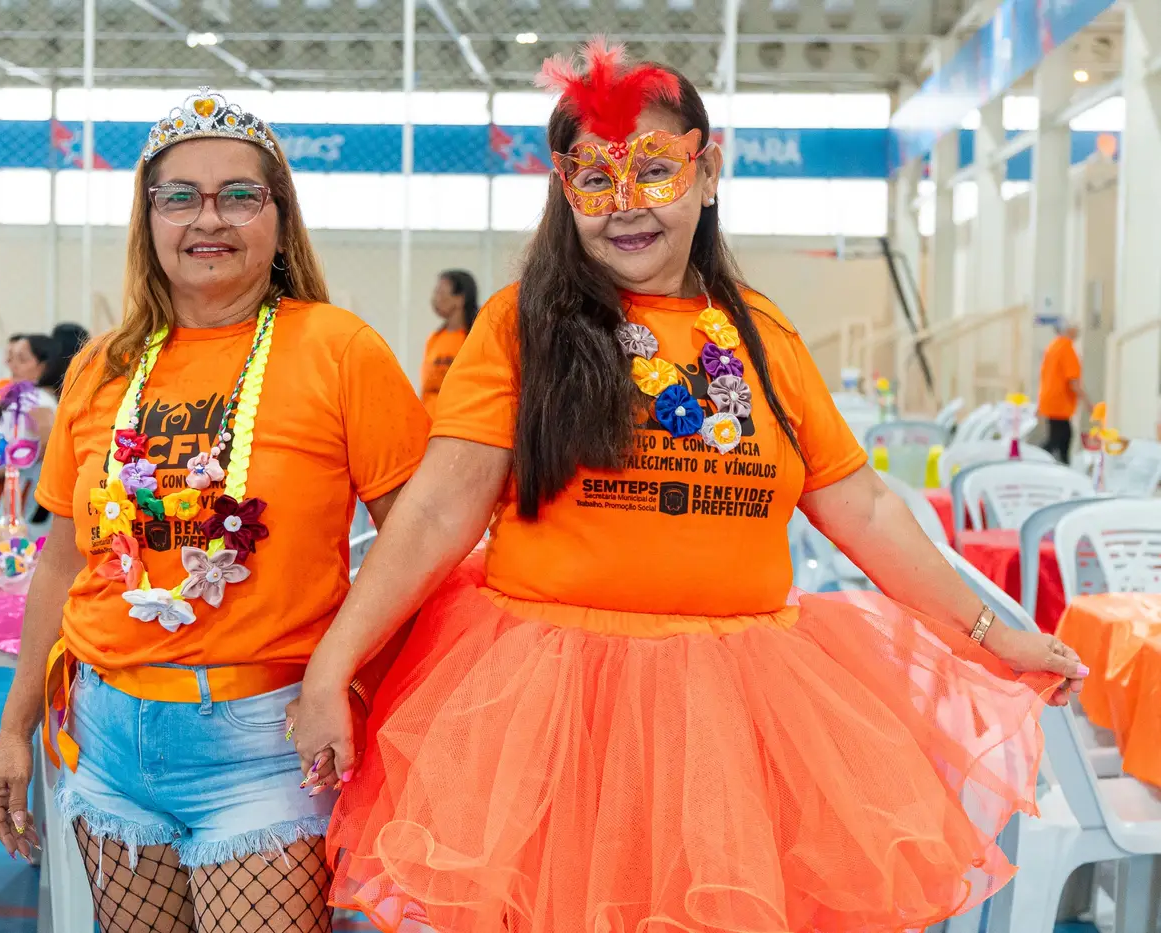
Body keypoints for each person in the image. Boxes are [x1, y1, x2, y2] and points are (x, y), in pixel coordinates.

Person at [290, 42, 1088, 933]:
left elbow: (862, 507)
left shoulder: (765, 336)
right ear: (563, 190)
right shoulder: (523, 328)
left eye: (656, 170)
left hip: (732, 729)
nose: (628, 204)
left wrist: (992, 635)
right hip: (552, 720)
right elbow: (439, 510)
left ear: (707, 174)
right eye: (597, 179)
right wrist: (335, 662)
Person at [0, 89, 429, 932]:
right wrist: (13, 728)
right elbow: (63, 561)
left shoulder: (340, 350)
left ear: (279, 218)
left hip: (265, 742)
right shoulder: (101, 368)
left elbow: (422, 543)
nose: (208, 218)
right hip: (109, 740)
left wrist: (344, 674)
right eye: (179, 196)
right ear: (148, 219)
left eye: (239, 195)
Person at [419, 270, 478, 417]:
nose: (435, 299)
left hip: (458, 418)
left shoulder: (473, 339)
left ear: (460, 299)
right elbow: (426, 386)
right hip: (429, 419)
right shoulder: (434, 338)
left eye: (441, 293)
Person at [1039, 320, 1087, 463]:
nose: (1078, 332)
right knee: (1060, 438)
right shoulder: (1066, 348)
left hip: (1050, 400)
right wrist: (1087, 402)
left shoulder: (1053, 346)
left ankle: (1061, 463)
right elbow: (1072, 381)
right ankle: (1037, 459)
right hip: (1060, 401)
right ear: (1069, 330)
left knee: (1060, 437)